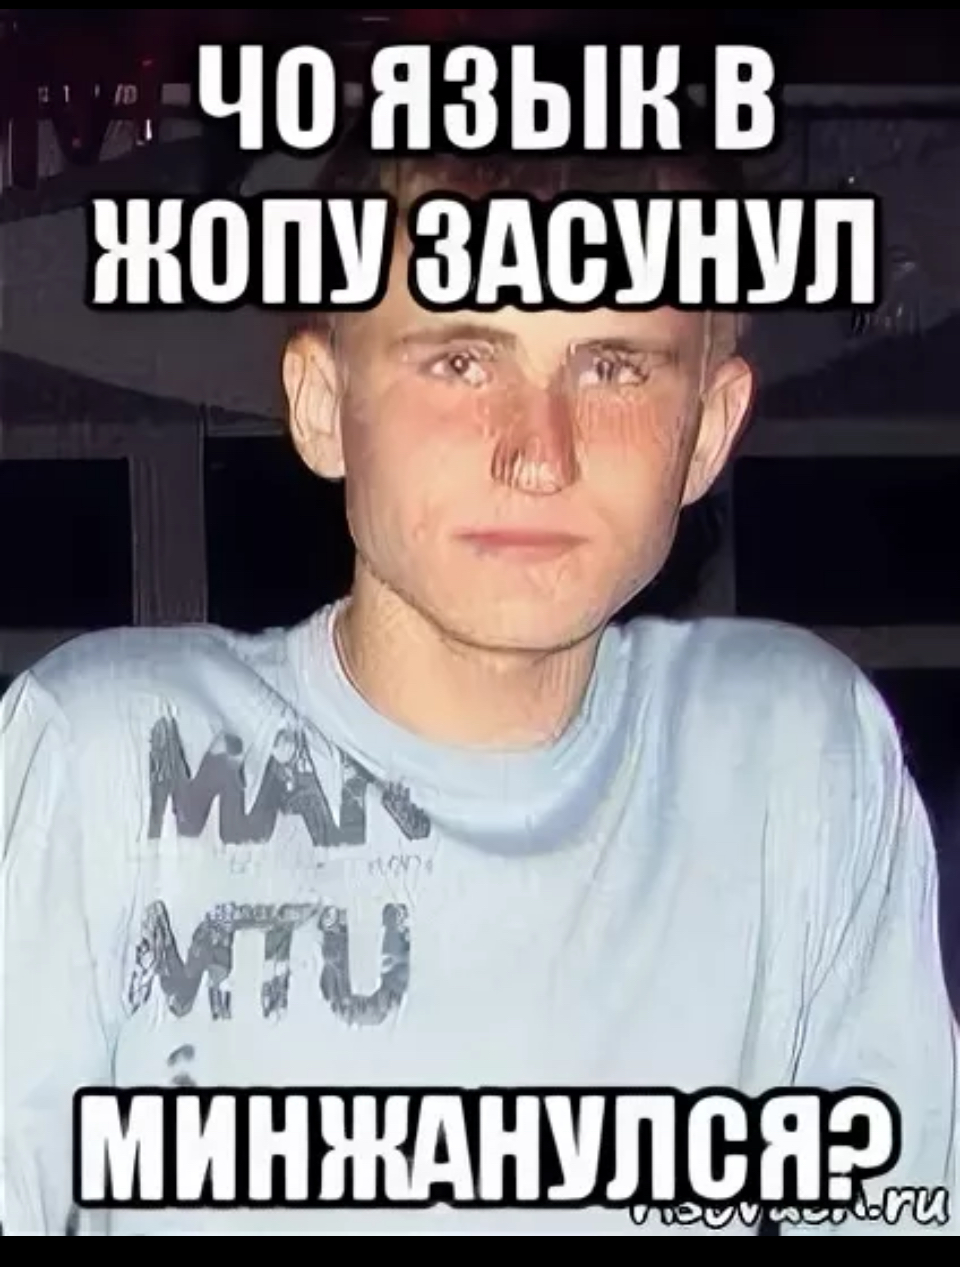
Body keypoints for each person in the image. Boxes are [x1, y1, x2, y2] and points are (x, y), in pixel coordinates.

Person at [2, 132, 958, 1237]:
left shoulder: (798, 755)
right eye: (461, 359)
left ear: (707, 430)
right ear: (323, 405)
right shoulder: (111, 757)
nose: (537, 453)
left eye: (612, 366)